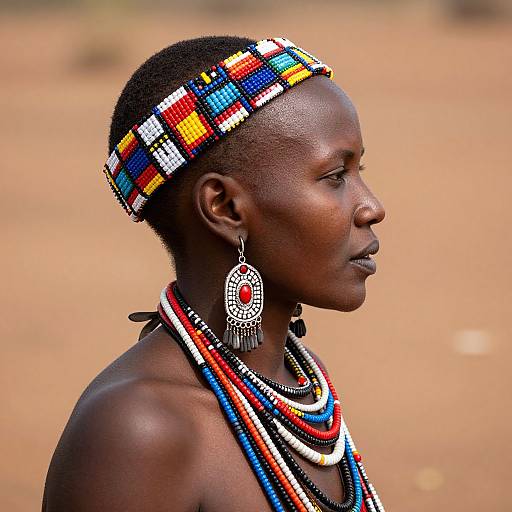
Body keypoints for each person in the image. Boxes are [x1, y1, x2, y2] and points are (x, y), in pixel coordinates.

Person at [43, 35, 386, 511]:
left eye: (359, 171)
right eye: (335, 177)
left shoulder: (299, 385)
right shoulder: (141, 429)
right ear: (225, 207)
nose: (372, 207)